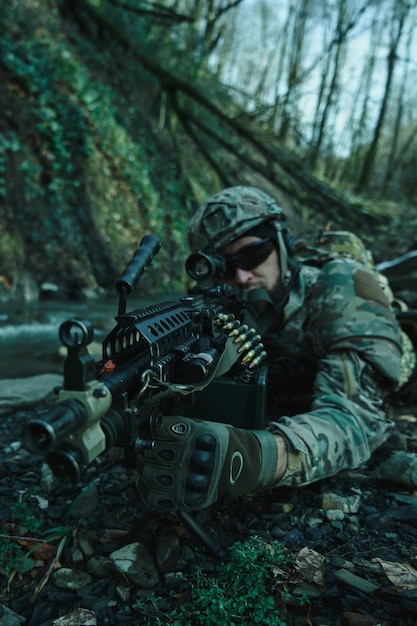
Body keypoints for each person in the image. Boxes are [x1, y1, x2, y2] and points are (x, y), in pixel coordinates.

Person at [136, 186, 416, 513]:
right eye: (224, 268)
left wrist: (262, 458)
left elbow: (357, 418)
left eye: (253, 255)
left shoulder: (340, 289)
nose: (242, 276)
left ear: (282, 243)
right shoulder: (224, 303)